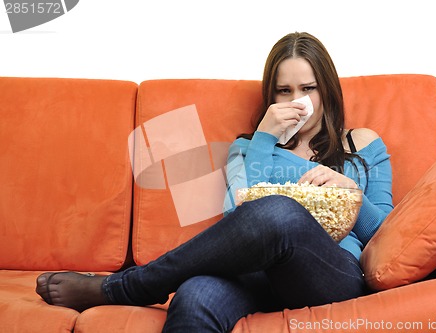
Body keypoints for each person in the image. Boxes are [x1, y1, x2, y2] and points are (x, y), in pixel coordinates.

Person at [35, 32, 393, 332]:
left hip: (329, 273)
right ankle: (142, 286)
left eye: (308, 88)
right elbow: (240, 214)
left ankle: (129, 286)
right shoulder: (248, 148)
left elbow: (387, 235)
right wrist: (264, 138)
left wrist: (354, 196)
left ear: (327, 90)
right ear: (271, 96)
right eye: (283, 91)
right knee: (194, 297)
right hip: (255, 275)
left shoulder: (361, 143)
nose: (297, 101)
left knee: (282, 212)